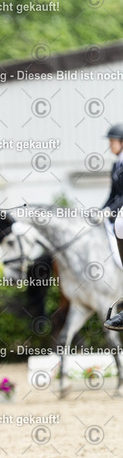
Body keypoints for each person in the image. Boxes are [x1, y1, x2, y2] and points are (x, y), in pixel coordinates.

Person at [103, 124, 123, 330]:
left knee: (120, 224)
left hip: (121, 214)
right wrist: (102, 210)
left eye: (113, 141)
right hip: (118, 213)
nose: (110, 145)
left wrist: (111, 210)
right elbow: (113, 194)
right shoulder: (116, 165)